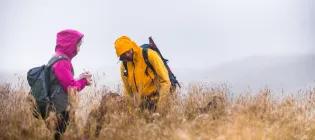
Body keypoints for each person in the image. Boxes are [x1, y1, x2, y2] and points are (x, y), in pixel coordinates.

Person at [49, 29, 92, 139]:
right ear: (70, 45)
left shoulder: (57, 58)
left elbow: (62, 82)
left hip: (55, 106)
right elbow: (71, 87)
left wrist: (79, 77)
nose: (79, 49)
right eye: (78, 45)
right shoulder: (62, 62)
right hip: (59, 108)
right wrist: (84, 81)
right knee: (58, 135)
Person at [114, 36, 171, 112]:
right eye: (123, 55)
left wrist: (160, 107)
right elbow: (127, 91)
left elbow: (165, 81)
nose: (127, 55)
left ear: (132, 47)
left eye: (128, 51)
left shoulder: (150, 55)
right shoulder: (124, 66)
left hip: (156, 100)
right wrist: (129, 111)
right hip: (140, 105)